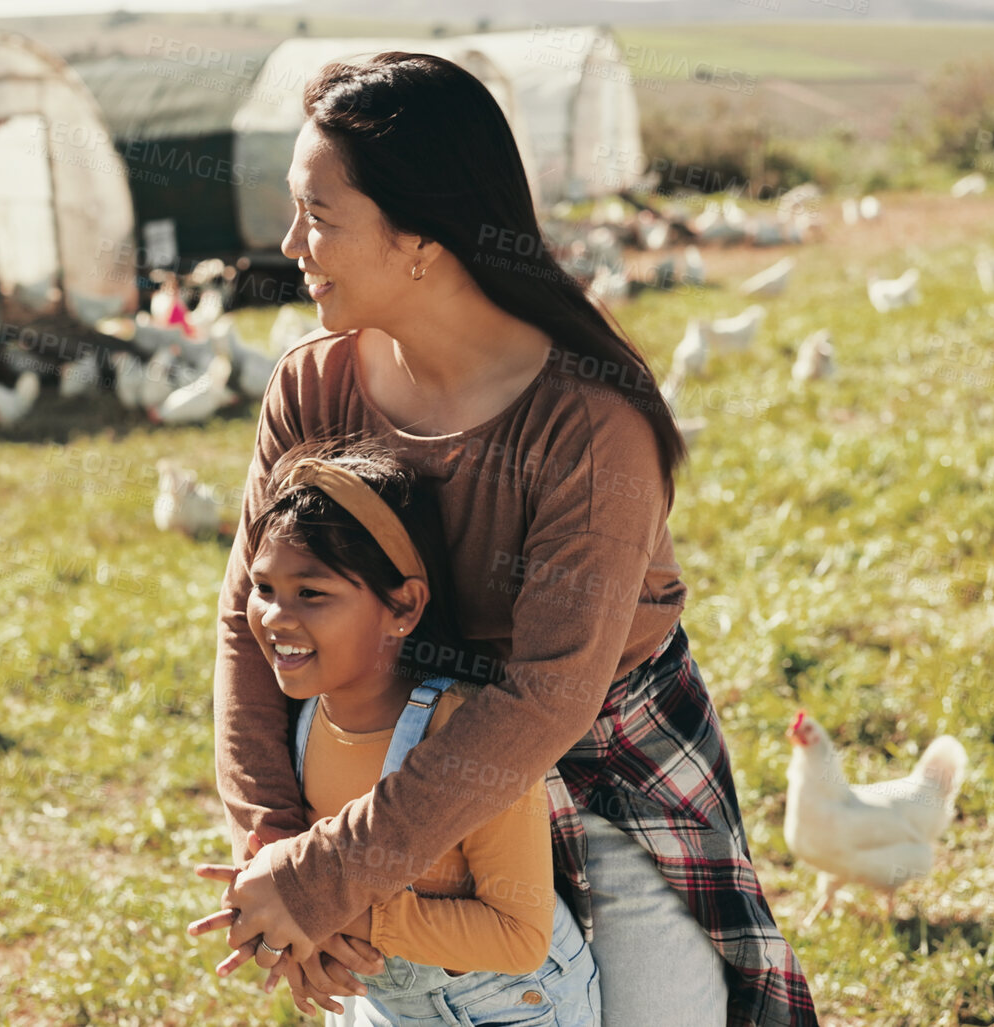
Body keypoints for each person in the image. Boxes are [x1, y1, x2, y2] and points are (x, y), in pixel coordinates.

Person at [204, 51, 818, 1026]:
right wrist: (282, 855)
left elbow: (544, 698)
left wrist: (335, 870)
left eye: (319, 217)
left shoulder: (589, 422)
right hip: (394, 759)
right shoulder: (311, 387)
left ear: (421, 242)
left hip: (598, 754)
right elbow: (250, 619)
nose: (292, 244)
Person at [189, 438, 600, 1026]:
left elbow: (519, 938)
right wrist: (293, 926)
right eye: (263, 589)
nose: (276, 616)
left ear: (403, 607)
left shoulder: (463, 733)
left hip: (511, 1009)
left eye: (311, 593)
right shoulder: (300, 721)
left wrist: (327, 908)